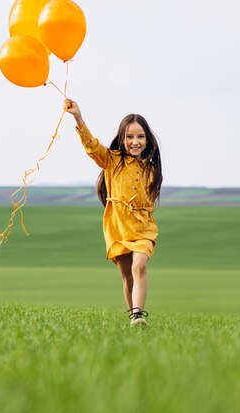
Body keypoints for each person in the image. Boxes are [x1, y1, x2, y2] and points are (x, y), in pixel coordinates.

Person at [65, 99, 163, 327]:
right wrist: (78, 118)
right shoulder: (112, 160)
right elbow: (92, 146)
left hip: (143, 228)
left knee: (139, 265)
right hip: (117, 226)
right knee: (127, 277)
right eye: (129, 137)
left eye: (140, 137)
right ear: (122, 139)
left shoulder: (151, 168)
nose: (135, 142)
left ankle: (138, 314)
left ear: (147, 140)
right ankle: (133, 318)